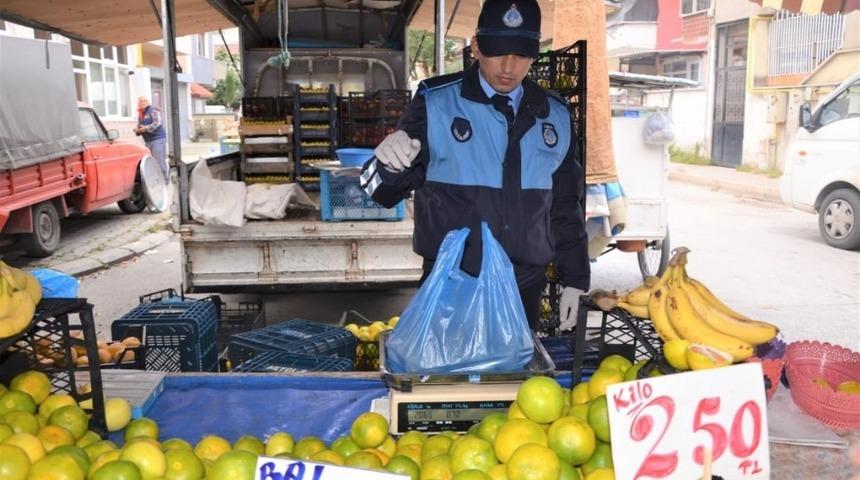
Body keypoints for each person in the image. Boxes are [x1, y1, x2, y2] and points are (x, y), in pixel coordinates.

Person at [360, 0, 589, 330]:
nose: (508, 66)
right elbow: (381, 193)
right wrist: (390, 167)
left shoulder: (554, 115)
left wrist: (575, 278)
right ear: (477, 46)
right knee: (449, 381)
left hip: (523, 288)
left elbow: (566, 207)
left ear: (534, 53)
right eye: (497, 51)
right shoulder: (436, 102)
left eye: (522, 54)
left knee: (515, 380)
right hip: (451, 284)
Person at [134, 96, 169, 183]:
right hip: (148, 140)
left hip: (158, 138)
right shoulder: (140, 114)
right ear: (138, 103)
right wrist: (137, 130)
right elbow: (140, 127)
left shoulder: (153, 110)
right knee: (151, 161)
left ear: (148, 102)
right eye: (141, 101)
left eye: (144, 101)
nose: (143, 102)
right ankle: (156, 180)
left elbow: (157, 123)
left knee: (159, 160)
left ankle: (165, 180)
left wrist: (145, 129)